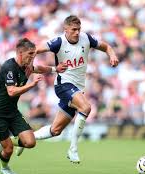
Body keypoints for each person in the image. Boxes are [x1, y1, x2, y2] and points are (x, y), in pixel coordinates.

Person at [17, 15, 119, 164]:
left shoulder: (86, 38)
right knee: (86, 107)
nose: (77, 32)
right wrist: (28, 65)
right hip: (63, 85)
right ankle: (73, 149)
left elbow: (106, 47)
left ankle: (24, 140)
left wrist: (112, 55)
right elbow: (36, 49)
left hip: (78, 88)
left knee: (55, 130)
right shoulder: (58, 42)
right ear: (66, 30)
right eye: (73, 30)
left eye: (79, 29)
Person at [0, 38, 67, 174]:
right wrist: (31, 85)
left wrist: (55, 69)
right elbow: (11, 91)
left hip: (12, 111)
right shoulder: (9, 67)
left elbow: (39, 68)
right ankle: (5, 168)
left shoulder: (27, 66)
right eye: (30, 54)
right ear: (20, 53)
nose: (33, 56)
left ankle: (3, 142)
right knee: (9, 150)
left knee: (30, 142)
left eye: (34, 53)